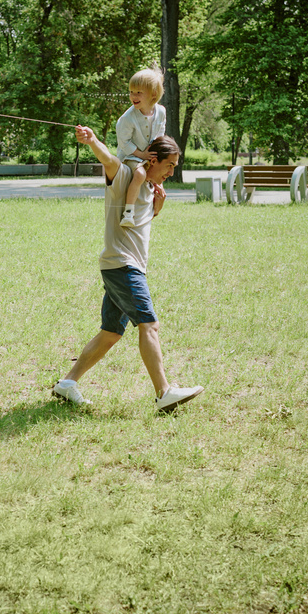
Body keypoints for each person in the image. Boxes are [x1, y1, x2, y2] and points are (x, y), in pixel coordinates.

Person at [53, 124, 204, 413]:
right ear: (153, 160)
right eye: (169, 165)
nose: (172, 172)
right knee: (149, 325)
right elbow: (109, 160)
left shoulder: (148, 187)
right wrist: (93, 141)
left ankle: (67, 383)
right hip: (123, 265)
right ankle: (164, 393)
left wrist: (157, 208)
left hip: (122, 265)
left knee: (111, 332)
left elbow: (138, 226)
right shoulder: (125, 176)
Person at [117, 67, 167, 228]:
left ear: (153, 94)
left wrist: (155, 151)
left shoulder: (161, 111)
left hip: (148, 154)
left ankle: (153, 209)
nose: (133, 96)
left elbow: (160, 132)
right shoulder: (128, 118)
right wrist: (141, 154)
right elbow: (124, 143)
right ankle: (128, 212)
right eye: (131, 92)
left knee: (161, 174)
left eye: (139, 92)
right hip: (130, 155)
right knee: (139, 174)